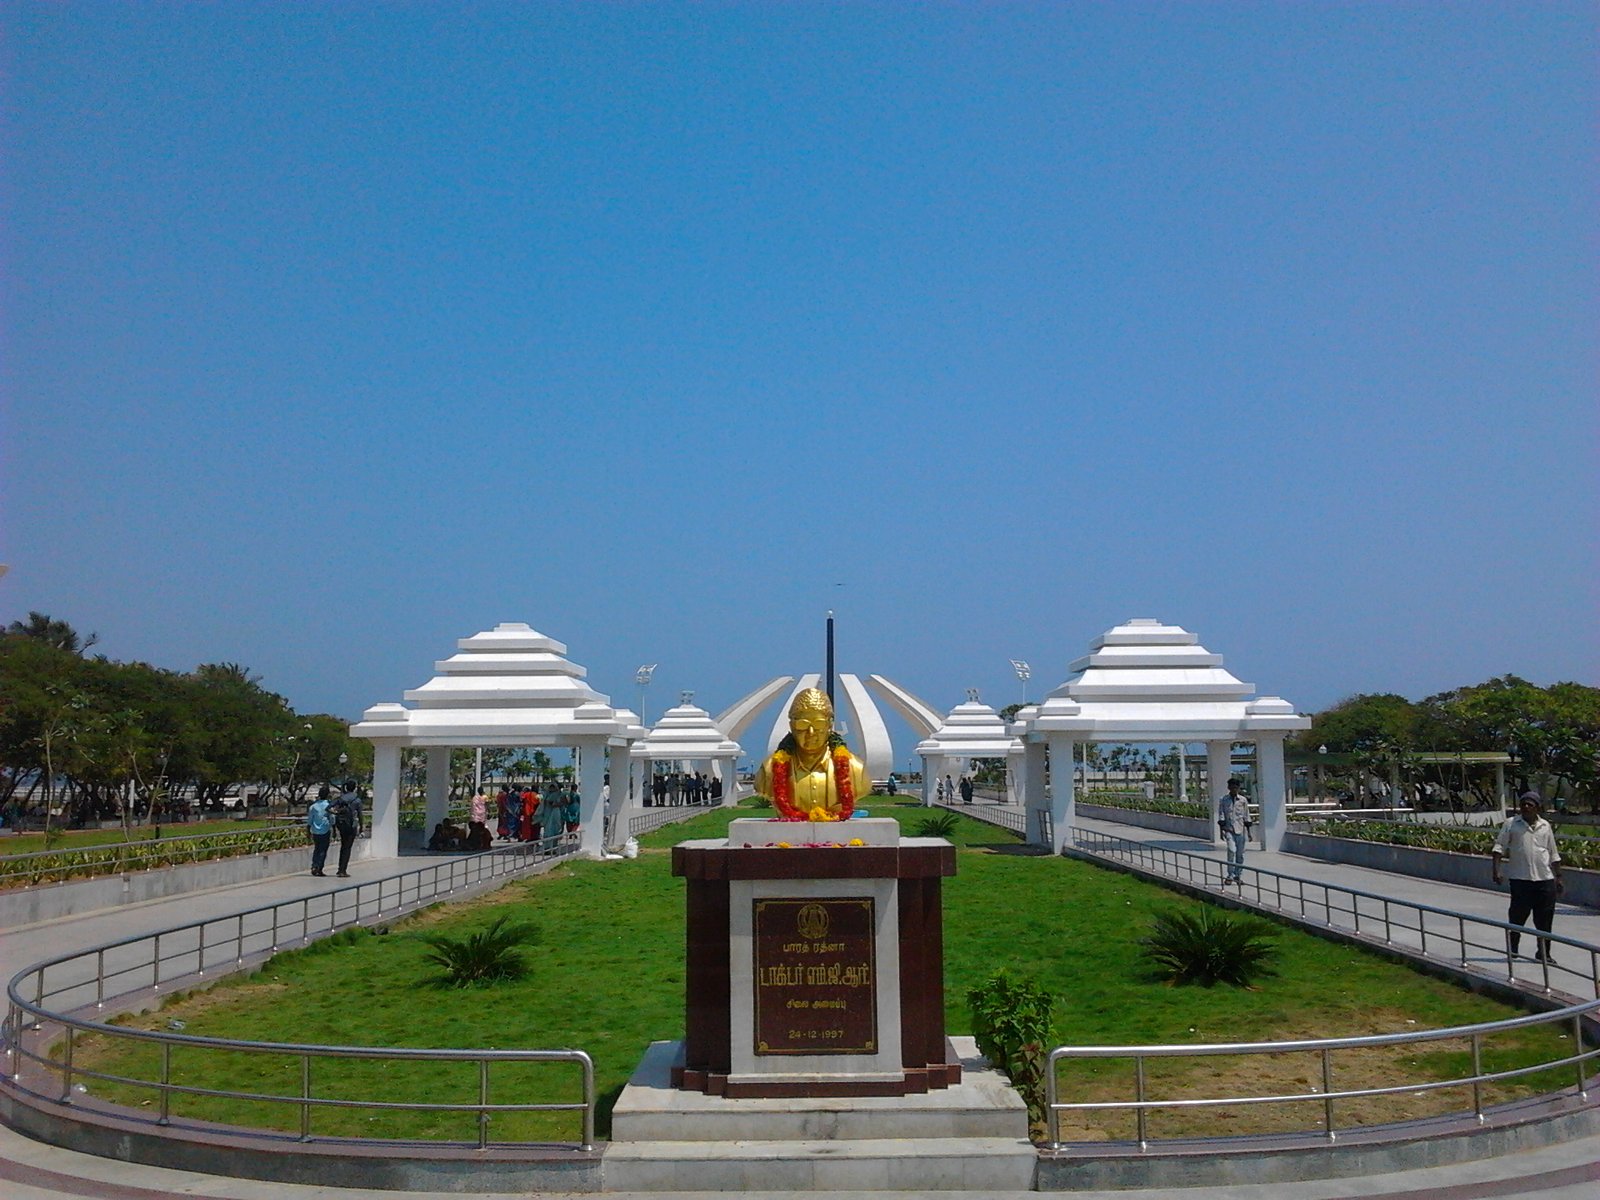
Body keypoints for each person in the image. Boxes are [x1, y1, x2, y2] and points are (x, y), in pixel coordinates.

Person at [753, 688, 870, 819]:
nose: (811, 733)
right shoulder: (769, 771)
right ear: (792, 726)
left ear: (830, 724)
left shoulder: (855, 770)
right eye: (803, 725)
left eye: (819, 724)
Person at [1491, 792, 1565, 962]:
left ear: (1537, 808)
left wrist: (1558, 877)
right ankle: (1513, 950)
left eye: (1530, 804)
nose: (1526, 807)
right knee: (1517, 917)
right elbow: (1498, 848)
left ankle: (1543, 953)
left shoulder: (1545, 826)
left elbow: (1553, 853)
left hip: (1544, 880)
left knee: (1545, 920)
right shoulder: (1511, 824)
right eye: (1523, 804)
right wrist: (1496, 870)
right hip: (1521, 880)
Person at [1217, 778, 1251, 885]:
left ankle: (1238, 875)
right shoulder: (1223, 800)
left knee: (1240, 854)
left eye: (1236, 788)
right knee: (1231, 851)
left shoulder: (1243, 800)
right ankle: (1230, 875)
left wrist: (1249, 833)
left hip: (1240, 830)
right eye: (1232, 787)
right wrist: (1221, 830)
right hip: (1229, 829)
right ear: (1229, 788)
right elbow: (1221, 815)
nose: (1234, 790)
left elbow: (1246, 815)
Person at [330, 781, 362, 878]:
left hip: (341, 824)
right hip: (351, 826)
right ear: (355, 788)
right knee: (347, 848)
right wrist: (361, 828)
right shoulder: (357, 800)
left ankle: (340, 868)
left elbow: (328, 807)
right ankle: (342, 870)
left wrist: (337, 813)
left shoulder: (341, 798)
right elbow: (360, 815)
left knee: (343, 846)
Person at [306, 785, 332, 877]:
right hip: (325, 830)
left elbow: (310, 820)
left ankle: (314, 865)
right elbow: (332, 818)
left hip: (315, 831)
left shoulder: (313, 807)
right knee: (323, 850)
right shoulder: (329, 806)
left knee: (317, 849)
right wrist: (333, 827)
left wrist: (308, 831)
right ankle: (319, 868)